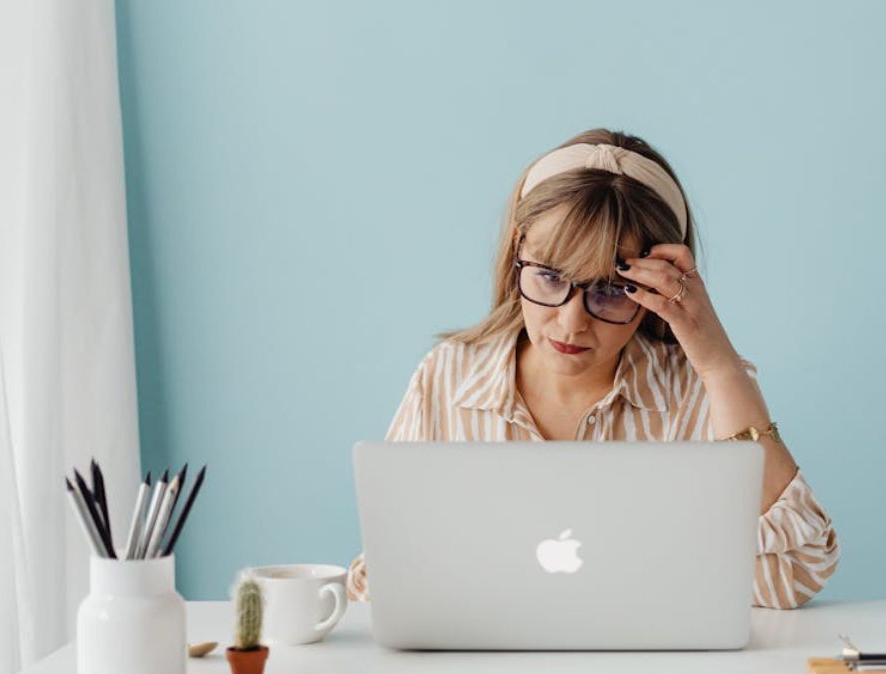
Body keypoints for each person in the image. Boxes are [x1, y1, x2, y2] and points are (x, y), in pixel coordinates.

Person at [347, 128, 839, 609]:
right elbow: (384, 581)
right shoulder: (447, 379)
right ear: (517, 251)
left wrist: (719, 366)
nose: (571, 322)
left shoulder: (700, 394)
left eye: (610, 290)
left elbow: (792, 576)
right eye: (549, 276)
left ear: (658, 288)